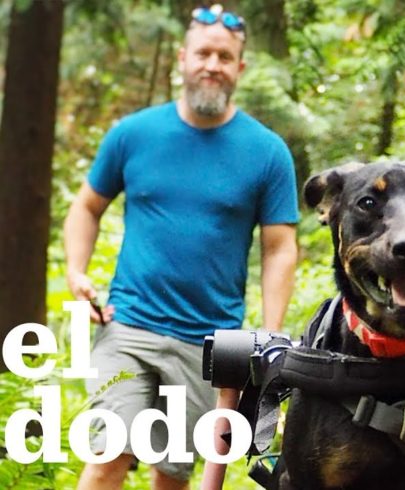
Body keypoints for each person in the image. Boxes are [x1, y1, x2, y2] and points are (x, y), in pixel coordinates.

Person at [63, 4, 299, 489]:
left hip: (208, 344)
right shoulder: (133, 134)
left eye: (224, 56)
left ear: (240, 68)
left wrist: (269, 335)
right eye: (203, 53)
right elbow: (86, 207)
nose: (212, 64)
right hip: (129, 327)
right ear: (182, 59)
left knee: (172, 473)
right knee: (111, 449)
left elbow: (279, 248)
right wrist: (75, 271)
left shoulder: (267, 151)